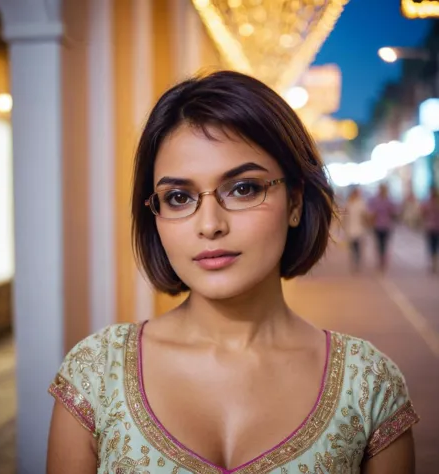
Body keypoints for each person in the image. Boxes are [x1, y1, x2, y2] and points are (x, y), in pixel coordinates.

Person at [47, 71, 419, 474]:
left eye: (243, 188)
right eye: (178, 197)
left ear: (295, 201)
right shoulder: (96, 374)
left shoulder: (368, 384)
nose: (210, 224)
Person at [368, 183, 397, 273]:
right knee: (379, 244)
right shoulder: (376, 200)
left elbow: (394, 213)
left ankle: (382, 260)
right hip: (378, 226)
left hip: (386, 226)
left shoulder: (388, 200)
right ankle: (381, 260)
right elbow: (372, 213)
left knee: (384, 244)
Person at [343, 187, 368, 272]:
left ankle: (357, 262)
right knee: (352, 248)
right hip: (349, 229)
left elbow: (364, 216)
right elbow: (345, 216)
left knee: (357, 247)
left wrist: (366, 224)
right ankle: (354, 261)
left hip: (359, 229)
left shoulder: (361, 203)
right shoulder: (348, 203)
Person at [421, 186, 439, 274]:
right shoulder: (427, 202)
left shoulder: (427, 202)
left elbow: (423, 213)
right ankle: (434, 261)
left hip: (431, 227)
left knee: (432, 245)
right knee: (433, 245)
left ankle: (434, 261)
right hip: (431, 227)